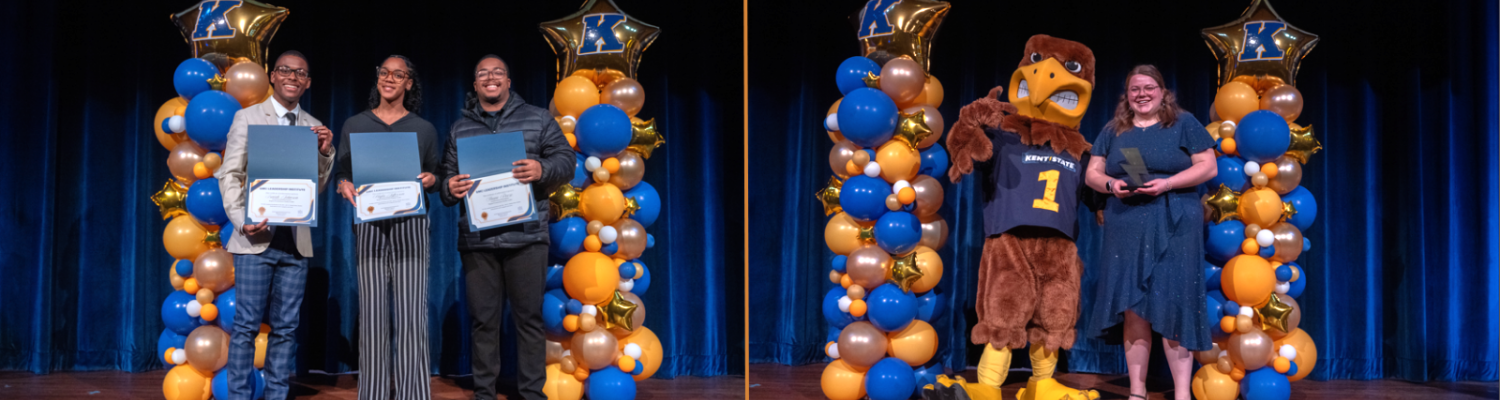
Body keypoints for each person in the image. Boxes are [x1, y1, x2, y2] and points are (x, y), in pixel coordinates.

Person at [439, 54, 573, 400]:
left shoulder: (538, 118)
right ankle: (484, 393)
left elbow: (565, 161)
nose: (490, 77)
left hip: (527, 237)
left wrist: (542, 169)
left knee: (528, 320)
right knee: (483, 322)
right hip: (478, 241)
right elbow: (446, 180)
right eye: (482, 73)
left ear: (508, 81)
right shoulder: (460, 127)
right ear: (475, 85)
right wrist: (449, 188)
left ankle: (531, 394)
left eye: (498, 72)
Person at [1082, 64, 1218, 400]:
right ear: (1126, 96)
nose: (1141, 94)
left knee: (1176, 304)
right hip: (1126, 223)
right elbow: (1092, 173)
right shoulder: (1114, 129)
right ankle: (1137, 391)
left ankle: (1182, 393)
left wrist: (1168, 183)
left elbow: (1208, 166)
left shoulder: (1184, 123)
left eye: (1148, 88)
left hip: (1175, 222)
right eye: (1134, 89)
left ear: (1162, 92)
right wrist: (1112, 183)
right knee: (1134, 306)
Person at [216, 50, 335, 400]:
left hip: (295, 244)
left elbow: (317, 187)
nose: (292, 77)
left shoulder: (314, 126)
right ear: (272, 76)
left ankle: (277, 395)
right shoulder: (248, 117)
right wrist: (241, 222)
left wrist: (325, 153)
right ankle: (239, 396)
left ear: (308, 82)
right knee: (246, 327)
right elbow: (231, 174)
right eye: (285, 70)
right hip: (256, 241)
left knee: (286, 329)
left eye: (300, 73)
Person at [334, 55, 440, 400]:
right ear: (377, 78)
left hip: (411, 224)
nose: (389, 79)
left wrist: (432, 178)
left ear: (409, 83)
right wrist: (344, 184)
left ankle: (413, 393)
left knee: (412, 312)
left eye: (399, 74)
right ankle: (375, 392)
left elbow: (436, 174)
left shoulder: (424, 129)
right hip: (369, 224)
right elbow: (342, 173)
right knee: (373, 312)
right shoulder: (354, 124)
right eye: (384, 72)